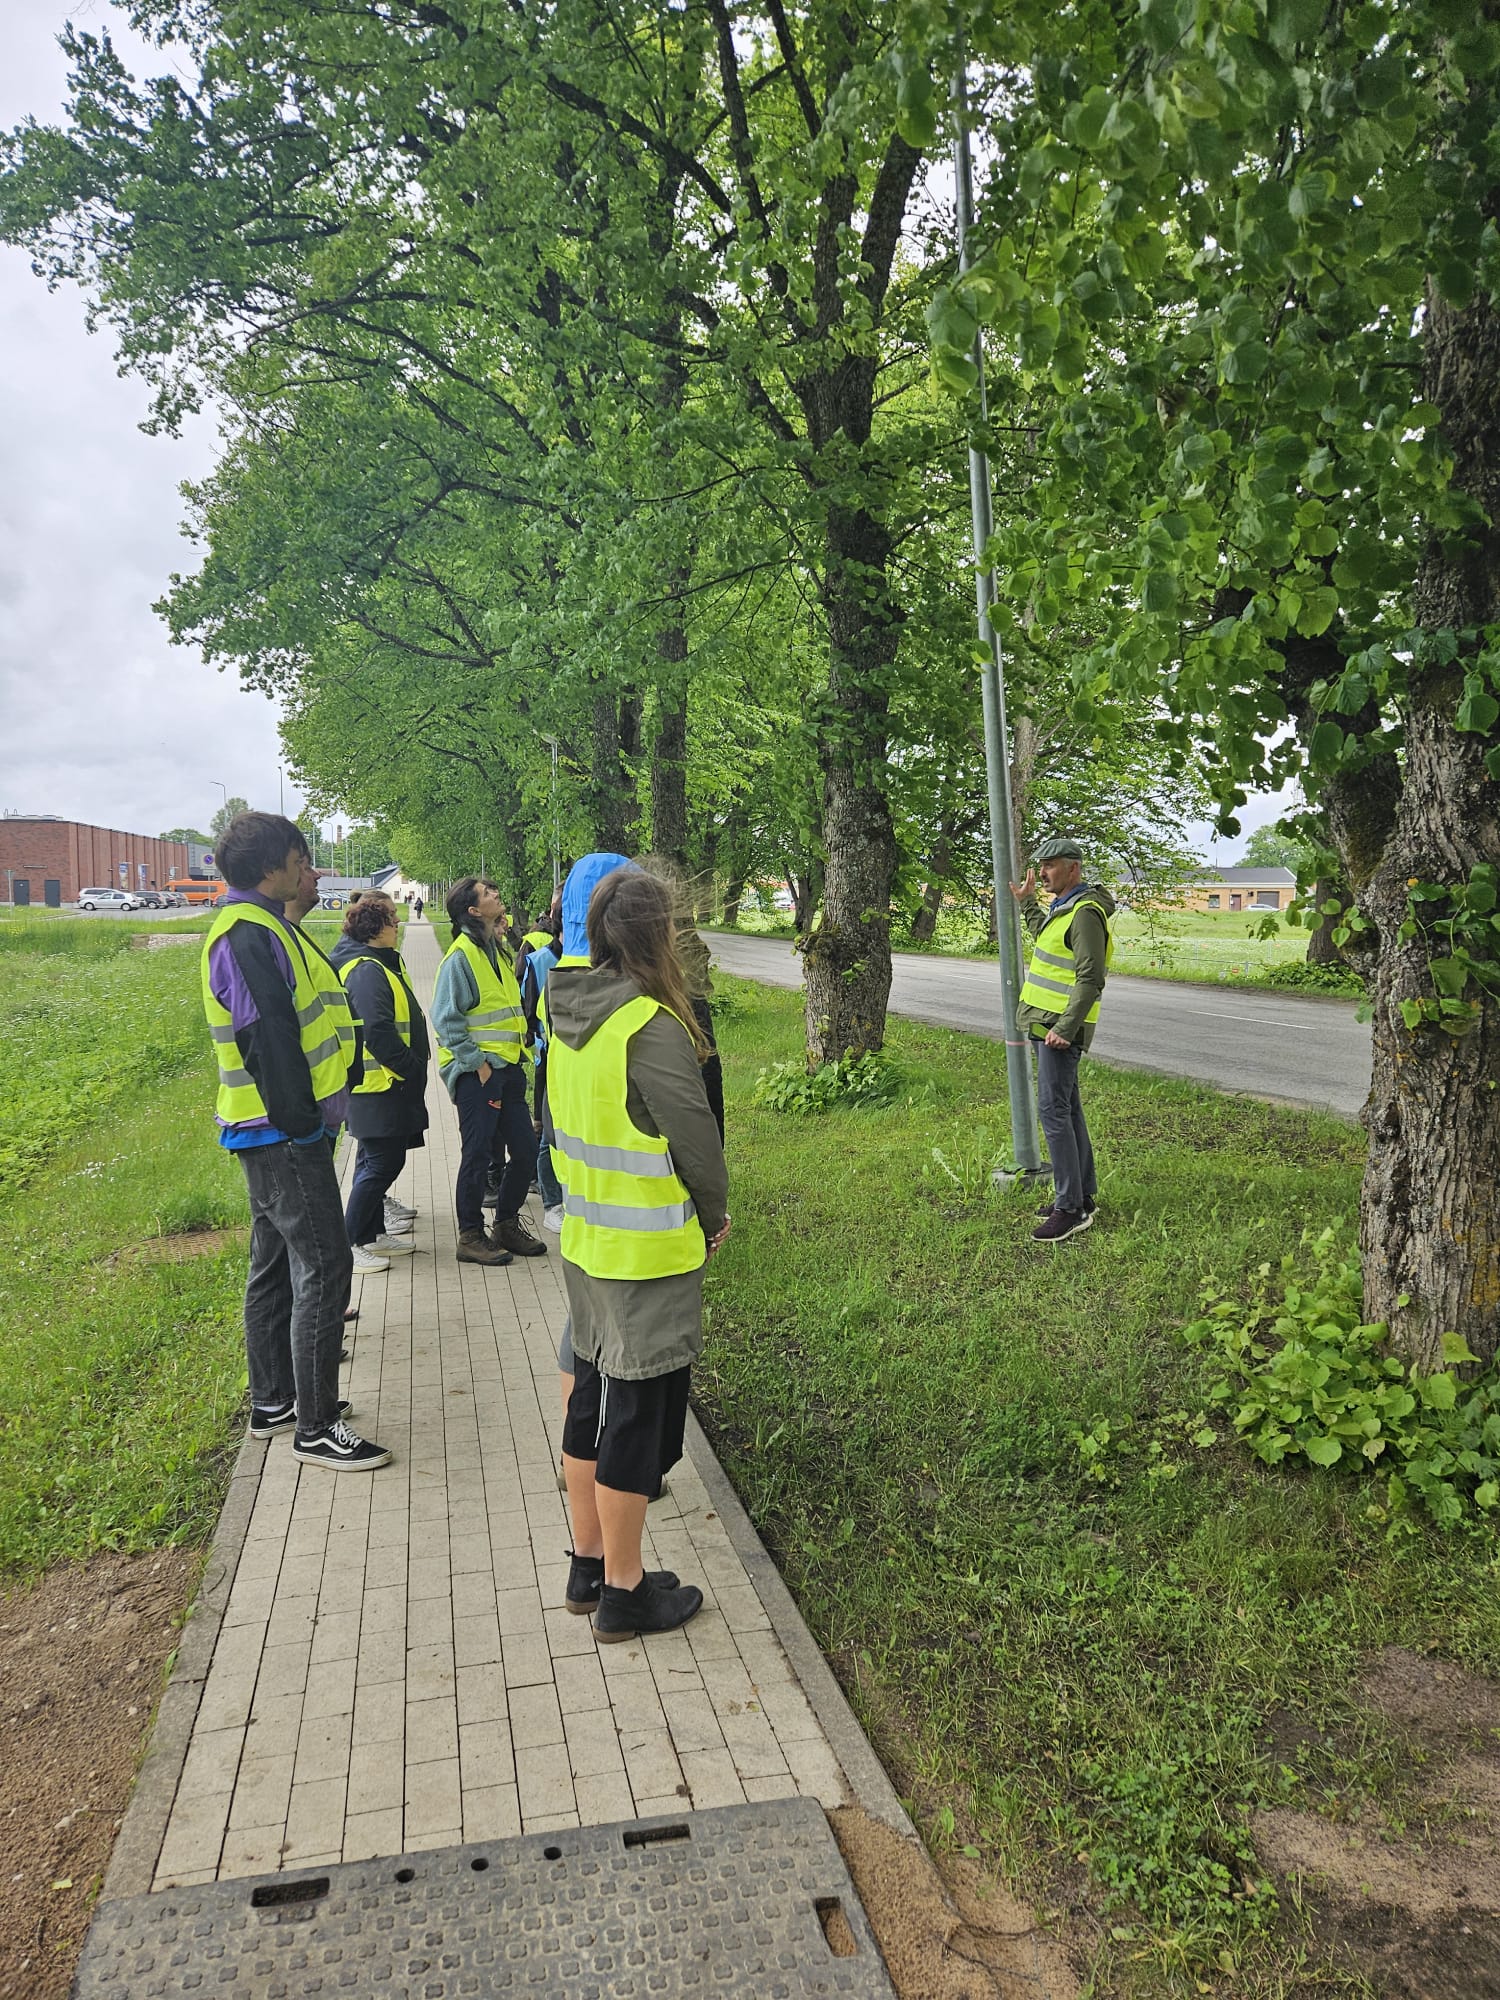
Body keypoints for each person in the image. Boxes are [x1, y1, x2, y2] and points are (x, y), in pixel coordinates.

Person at [549, 866, 731, 1642]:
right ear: (661, 935)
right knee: (634, 1419)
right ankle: (625, 1594)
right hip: (645, 1255)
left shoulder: (565, 1010)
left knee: (589, 1402)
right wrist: (715, 1215)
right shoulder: (649, 1026)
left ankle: (589, 1567)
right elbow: (697, 1140)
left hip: (587, 1244)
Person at [201, 812, 390, 1471]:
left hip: (272, 1129)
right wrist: (303, 1123)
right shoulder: (247, 933)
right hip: (282, 1131)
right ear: (270, 867)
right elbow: (267, 1037)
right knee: (325, 1264)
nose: (307, 868)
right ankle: (316, 1426)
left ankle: (276, 1402)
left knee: (276, 1264)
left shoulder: (265, 926)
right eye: (299, 858)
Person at [431, 876, 547, 1265]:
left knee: (526, 1150)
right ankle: (469, 1235)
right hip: (478, 1075)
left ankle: (506, 1224)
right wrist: (477, 1064)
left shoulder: (493, 951)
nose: (496, 894)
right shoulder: (460, 957)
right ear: (473, 910)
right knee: (478, 1154)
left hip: (508, 1070)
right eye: (487, 893)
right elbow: (445, 1019)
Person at [1009, 836, 1116, 1244]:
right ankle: (1082, 1197)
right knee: (1068, 1111)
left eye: (1050, 865)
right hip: (1047, 1024)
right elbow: (1045, 938)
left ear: (1074, 868)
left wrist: (1065, 1029)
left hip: (1059, 1030)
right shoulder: (1064, 908)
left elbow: (1091, 978)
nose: (1042, 873)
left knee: (1053, 1112)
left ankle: (1069, 1209)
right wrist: (1027, 903)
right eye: (1041, 866)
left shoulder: (1085, 913)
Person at [337, 896, 430, 1273]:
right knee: (383, 1162)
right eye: (392, 920)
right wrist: (409, 1067)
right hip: (379, 1084)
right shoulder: (366, 970)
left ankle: (371, 1233)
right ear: (375, 929)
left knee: (372, 1160)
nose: (398, 924)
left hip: (383, 1084)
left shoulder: (376, 963)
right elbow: (376, 1029)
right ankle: (349, 1243)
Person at [520, 898, 565, 1231]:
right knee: (547, 1129)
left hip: (575, 1058)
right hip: (548, 1056)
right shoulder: (539, 960)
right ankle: (551, 1202)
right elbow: (528, 1010)